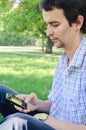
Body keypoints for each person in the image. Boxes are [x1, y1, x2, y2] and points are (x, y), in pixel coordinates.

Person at [0, 0, 86, 129]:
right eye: (47, 25)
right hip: (51, 122)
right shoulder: (64, 60)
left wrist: (46, 119)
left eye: (55, 25)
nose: (48, 32)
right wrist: (38, 105)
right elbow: (57, 104)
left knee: (17, 123)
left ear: (78, 22)